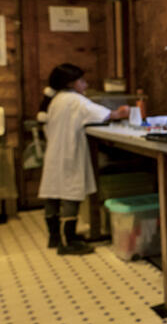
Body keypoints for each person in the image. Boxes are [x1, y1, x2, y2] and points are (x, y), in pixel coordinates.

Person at [37, 63, 130, 254]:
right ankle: (68, 241)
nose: (85, 84)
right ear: (71, 82)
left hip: (55, 152)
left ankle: (55, 237)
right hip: (69, 153)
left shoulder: (56, 100)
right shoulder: (75, 100)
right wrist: (122, 112)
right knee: (71, 193)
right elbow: (105, 115)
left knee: (53, 193)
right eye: (82, 80)